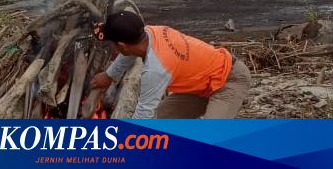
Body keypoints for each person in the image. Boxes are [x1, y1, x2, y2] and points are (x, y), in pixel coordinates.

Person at [90, 10, 251, 119]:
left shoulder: (156, 70)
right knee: (161, 120)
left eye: (111, 43)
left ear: (121, 45)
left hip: (229, 80)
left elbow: (143, 115)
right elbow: (130, 53)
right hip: (201, 85)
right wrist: (110, 75)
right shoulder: (149, 32)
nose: (111, 46)